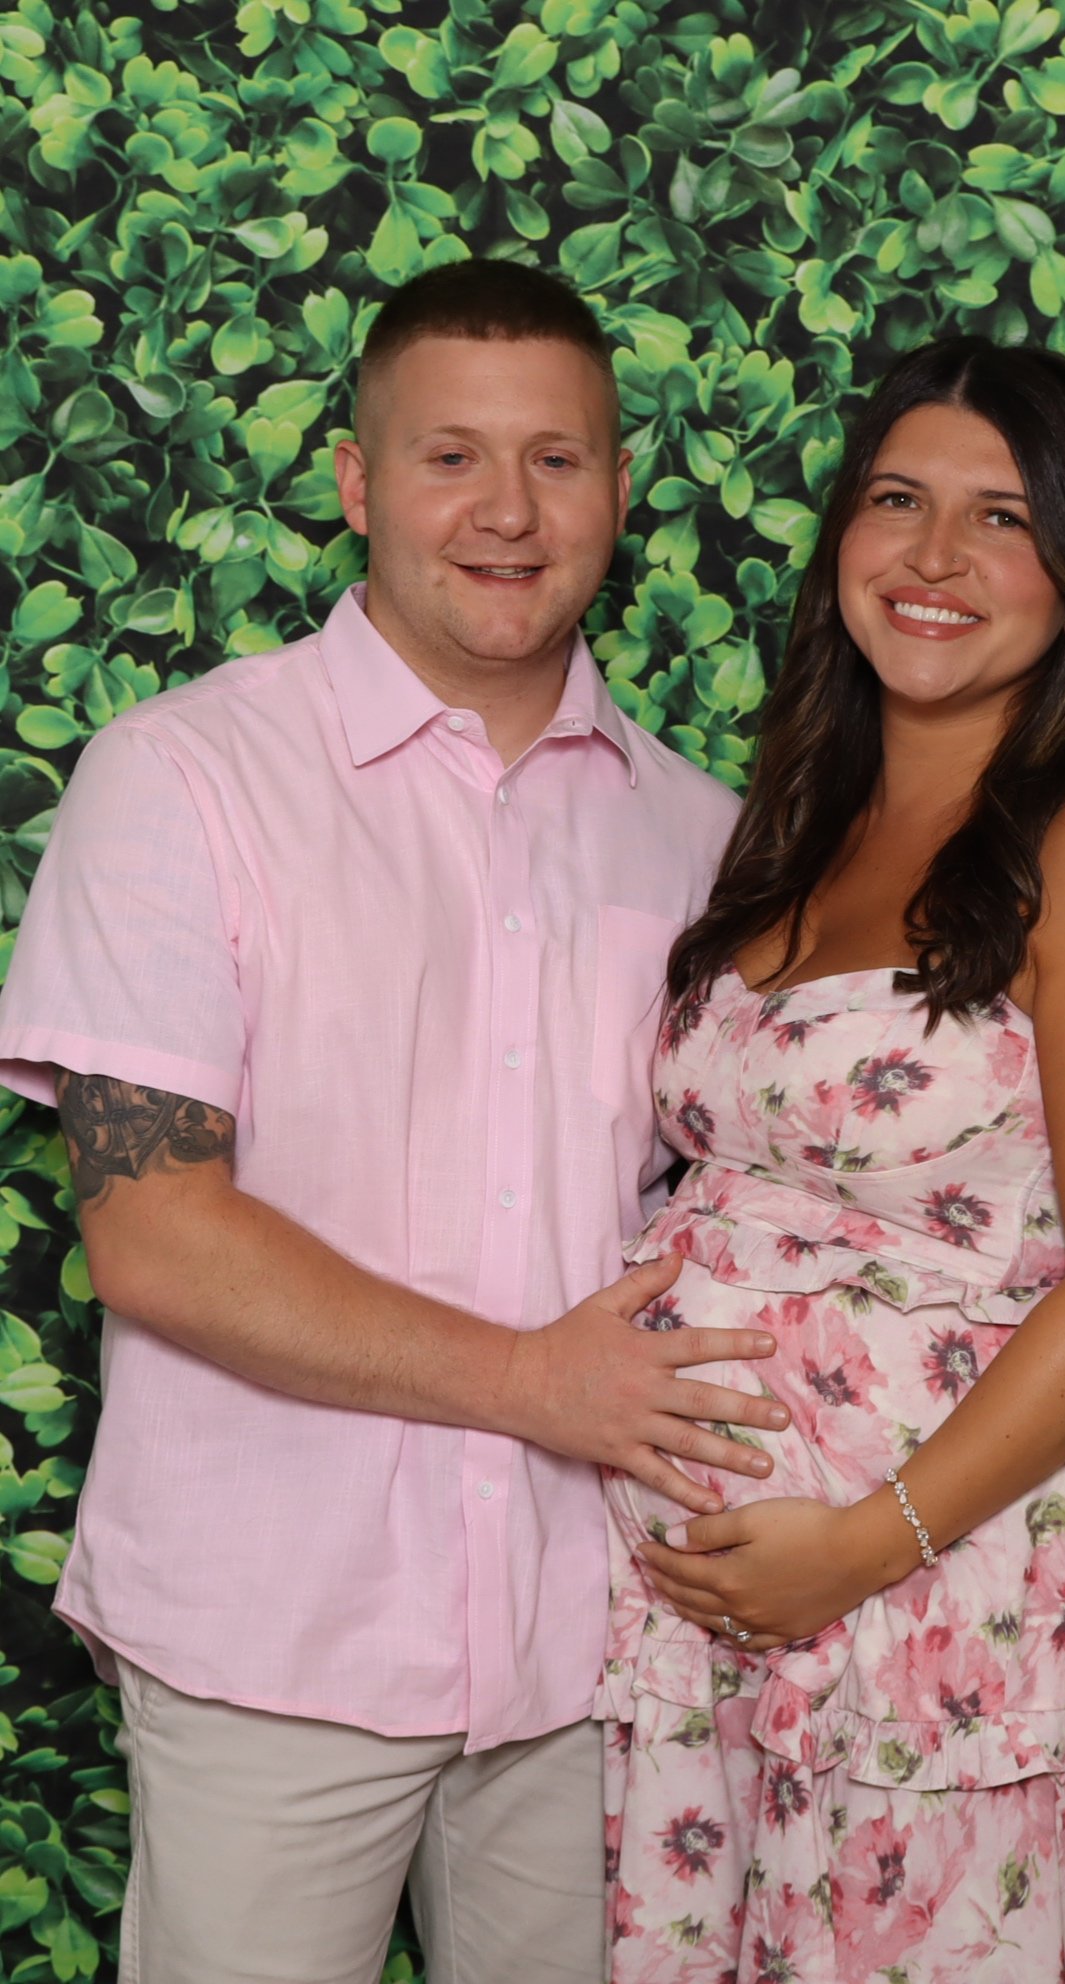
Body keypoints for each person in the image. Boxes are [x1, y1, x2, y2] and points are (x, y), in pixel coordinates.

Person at [0, 260, 793, 1984]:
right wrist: (533, 1383)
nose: (506, 511)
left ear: (620, 489)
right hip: (268, 1637)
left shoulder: (710, 840)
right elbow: (152, 1230)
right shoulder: (184, 779)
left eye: (557, 460)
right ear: (360, 483)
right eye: (449, 457)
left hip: (596, 1645)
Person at [599, 336, 1065, 1981]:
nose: (936, 559)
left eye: (1005, 519)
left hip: (950, 1599)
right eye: (898, 501)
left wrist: (861, 1543)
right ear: (840, 545)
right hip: (721, 1620)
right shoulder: (786, 834)